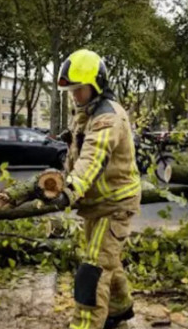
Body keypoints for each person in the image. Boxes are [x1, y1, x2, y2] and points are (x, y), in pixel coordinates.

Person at [51, 49, 140, 329]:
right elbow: (77, 155)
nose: (75, 96)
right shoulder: (86, 114)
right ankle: (119, 311)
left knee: (92, 271)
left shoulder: (107, 118)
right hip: (97, 205)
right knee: (107, 262)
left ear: (97, 85)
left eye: (80, 90)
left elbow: (92, 158)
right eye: (72, 91)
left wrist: (70, 189)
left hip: (115, 206)